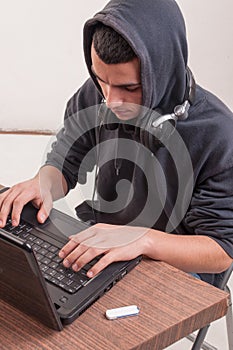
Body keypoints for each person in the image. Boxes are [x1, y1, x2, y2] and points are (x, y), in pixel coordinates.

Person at [0, 0, 233, 286]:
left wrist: (143, 240)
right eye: (101, 81)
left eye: (130, 88)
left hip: (176, 268)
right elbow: (65, 160)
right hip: (106, 243)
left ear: (162, 69)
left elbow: (222, 250)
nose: (111, 101)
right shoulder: (100, 93)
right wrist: (43, 184)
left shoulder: (219, 135)